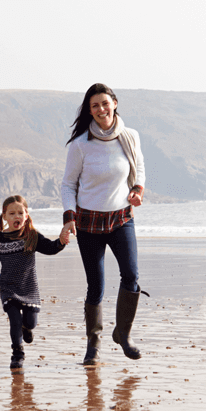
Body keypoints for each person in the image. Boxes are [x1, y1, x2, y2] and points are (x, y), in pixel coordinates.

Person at [59, 83, 148, 365]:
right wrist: (69, 217)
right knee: (95, 285)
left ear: (115, 103)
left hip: (121, 218)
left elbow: (139, 168)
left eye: (105, 104)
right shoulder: (80, 144)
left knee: (131, 276)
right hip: (89, 223)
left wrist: (137, 190)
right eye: (94, 106)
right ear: (90, 110)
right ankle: (93, 347)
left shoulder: (130, 136)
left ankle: (123, 333)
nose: (101, 109)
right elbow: (67, 184)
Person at [0, 195, 66, 369]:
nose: (16, 216)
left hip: (28, 287)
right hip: (8, 288)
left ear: (26, 215)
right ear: (4, 216)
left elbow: (49, 248)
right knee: (14, 320)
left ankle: (27, 328)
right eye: (12, 213)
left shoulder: (31, 236)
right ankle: (17, 354)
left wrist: (61, 242)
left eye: (20, 212)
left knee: (30, 322)